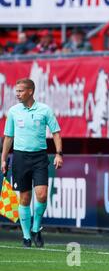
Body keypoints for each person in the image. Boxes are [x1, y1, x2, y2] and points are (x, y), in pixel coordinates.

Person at [1, 78, 63, 248]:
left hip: (39, 157)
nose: (17, 94)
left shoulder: (45, 110)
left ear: (30, 91)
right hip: (20, 158)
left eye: (20, 91)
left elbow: (56, 132)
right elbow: (8, 137)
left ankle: (36, 228)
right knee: (25, 197)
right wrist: (3, 159)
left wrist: (58, 154)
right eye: (17, 91)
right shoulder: (13, 111)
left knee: (42, 194)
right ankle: (27, 236)